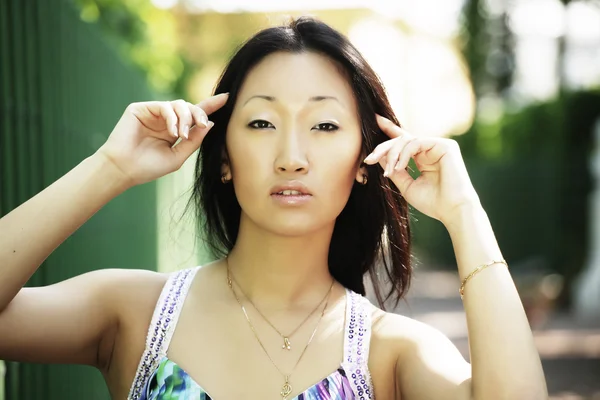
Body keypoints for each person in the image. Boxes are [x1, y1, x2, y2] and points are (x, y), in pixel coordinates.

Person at [0, 17, 547, 400]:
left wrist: (463, 211)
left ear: (364, 159)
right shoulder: (131, 313)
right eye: (261, 123)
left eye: (325, 126)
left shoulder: (389, 352)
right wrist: (110, 167)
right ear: (224, 159)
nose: (291, 157)